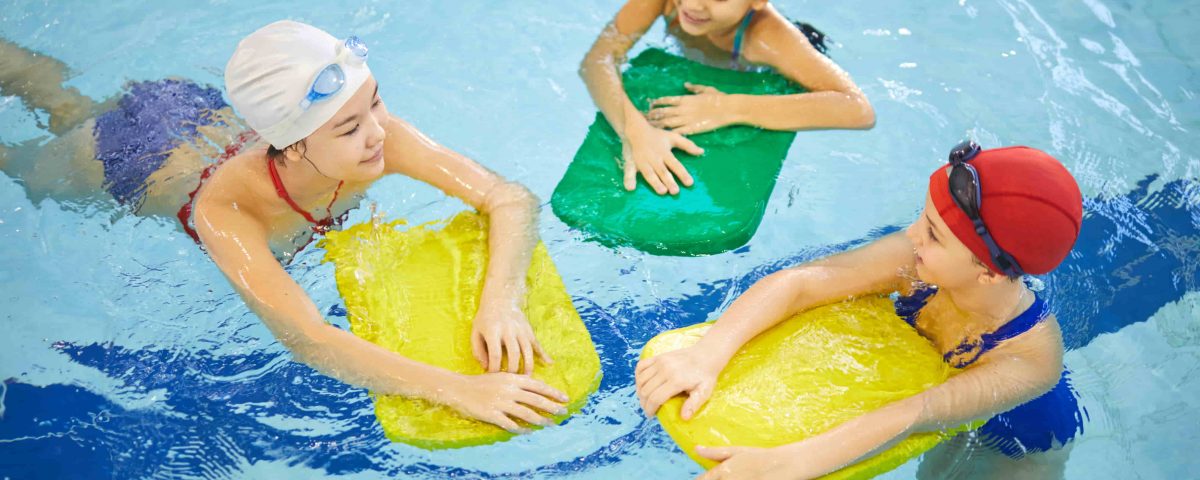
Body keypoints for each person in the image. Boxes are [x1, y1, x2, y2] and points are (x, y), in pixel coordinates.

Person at [0, 21, 566, 434]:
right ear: (291, 148)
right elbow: (308, 338)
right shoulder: (225, 215)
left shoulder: (374, 135)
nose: (378, 132)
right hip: (125, 159)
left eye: (376, 103)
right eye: (349, 128)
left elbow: (508, 197)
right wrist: (459, 389)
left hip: (189, 110)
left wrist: (501, 302)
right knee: (18, 159)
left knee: (64, 97)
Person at [635, 143, 1086, 479]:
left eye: (932, 233)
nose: (911, 235)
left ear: (988, 274)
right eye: (923, 217)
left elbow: (915, 413)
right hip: (923, 393)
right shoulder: (922, 258)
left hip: (1017, 442)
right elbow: (803, 283)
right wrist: (707, 355)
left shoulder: (1030, 359)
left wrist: (786, 464)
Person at [579, 0, 875, 196]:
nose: (693, 4)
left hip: (761, 66)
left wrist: (730, 107)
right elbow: (597, 60)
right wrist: (634, 130)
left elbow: (857, 109)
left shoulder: (767, 37)